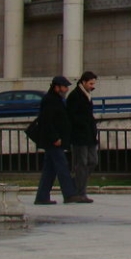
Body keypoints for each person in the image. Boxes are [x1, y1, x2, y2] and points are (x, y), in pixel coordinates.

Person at [34, 76, 91, 205]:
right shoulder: (50, 100)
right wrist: (55, 138)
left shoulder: (56, 99)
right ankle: (69, 194)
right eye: (64, 87)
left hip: (56, 140)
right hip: (53, 141)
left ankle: (42, 197)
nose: (66, 89)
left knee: (50, 169)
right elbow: (47, 121)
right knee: (62, 166)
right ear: (57, 87)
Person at [67, 71, 98, 202]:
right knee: (81, 163)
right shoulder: (75, 96)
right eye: (91, 83)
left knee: (93, 161)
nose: (92, 86)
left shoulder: (87, 96)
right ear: (83, 82)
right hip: (79, 136)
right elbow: (72, 116)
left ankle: (78, 184)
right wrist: (83, 125)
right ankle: (80, 192)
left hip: (89, 136)